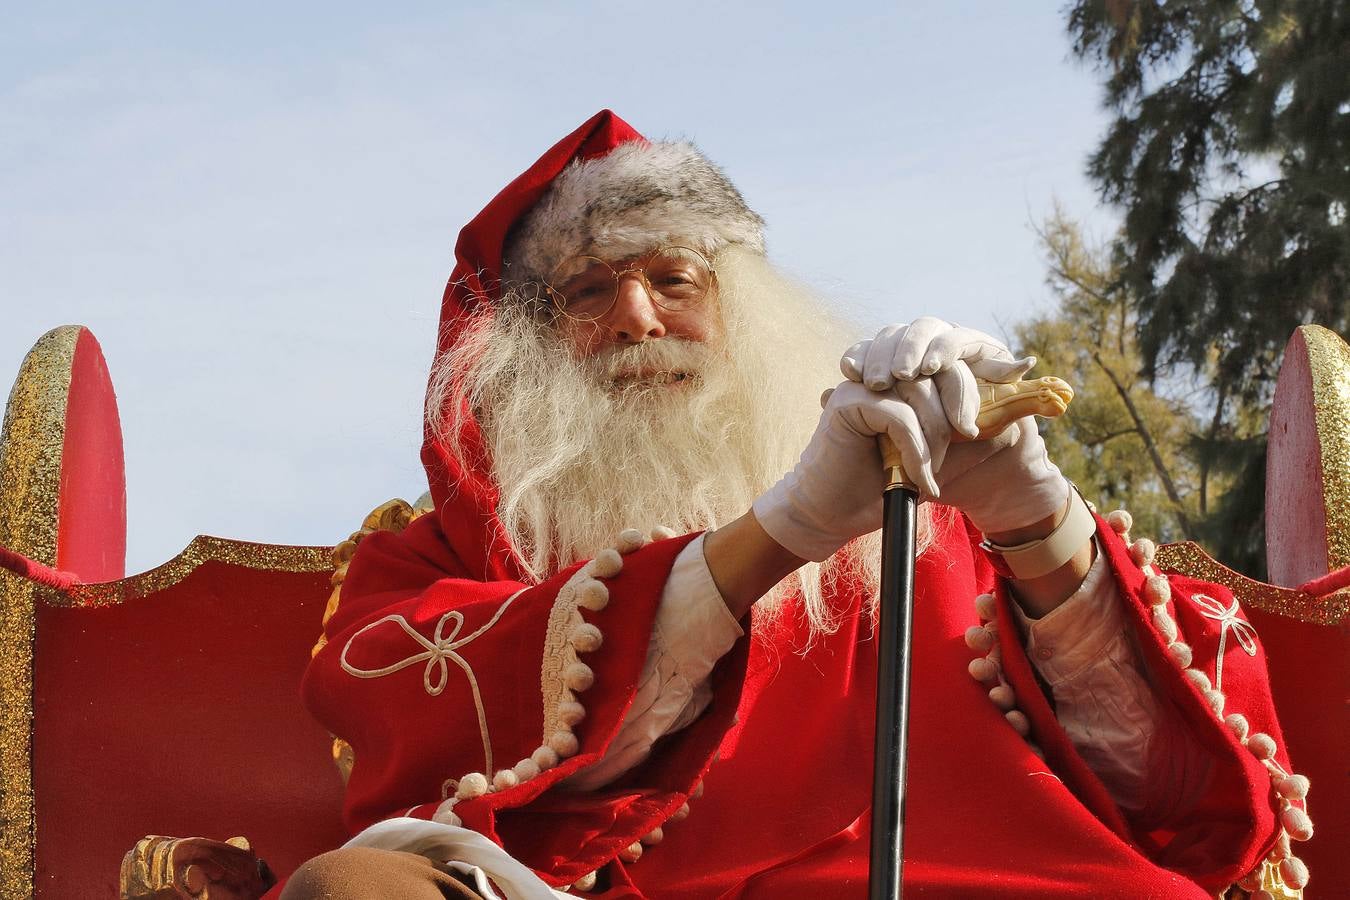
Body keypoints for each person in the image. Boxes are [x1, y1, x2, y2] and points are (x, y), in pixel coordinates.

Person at [287, 111, 1311, 899]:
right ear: (526, 351)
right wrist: (781, 536)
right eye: (587, 293)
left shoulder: (920, 507)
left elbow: (1176, 795)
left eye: (673, 276)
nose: (638, 316)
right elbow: (417, 743)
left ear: (747, 307)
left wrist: (1037, 525)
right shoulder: (447, 561)